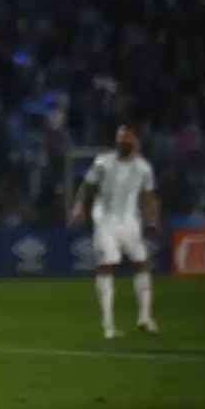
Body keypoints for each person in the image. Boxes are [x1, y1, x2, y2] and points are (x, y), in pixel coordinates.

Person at [71, 126, 160, 338]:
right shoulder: (104, 162)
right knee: (107, 266)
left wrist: (153, 219)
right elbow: (88, 185)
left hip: (130, 221)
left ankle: (145, 318)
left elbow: (149, 195)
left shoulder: (143, 168)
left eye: (128, 143)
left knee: (142, 263)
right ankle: (108, 325)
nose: (124, 146)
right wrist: (79, 206)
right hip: (105, 220)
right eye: (121, 142)